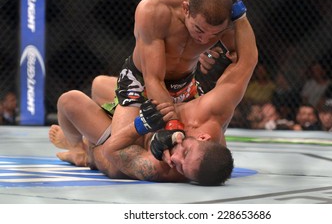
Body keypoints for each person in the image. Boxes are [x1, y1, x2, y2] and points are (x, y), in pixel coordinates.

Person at [49, 14, 258, 186]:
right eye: (185, 153)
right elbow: (247, 62)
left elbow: (112, 151)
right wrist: (239, 13)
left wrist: (141, 126)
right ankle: (83, 142)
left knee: (70, 101)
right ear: (203, 137)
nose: (176, 159)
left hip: (130, 136)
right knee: (99, 84)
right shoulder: (214, 111)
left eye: (183, 169)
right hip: (154, 107)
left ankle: (81, 151)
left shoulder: (164, 168)